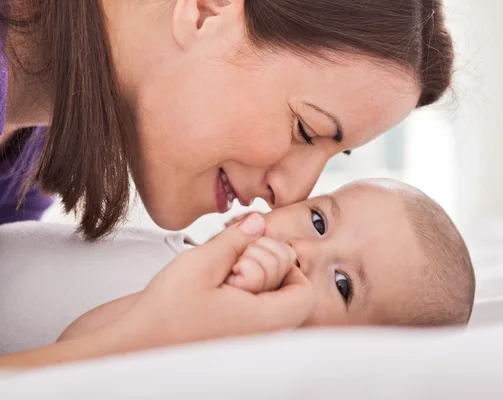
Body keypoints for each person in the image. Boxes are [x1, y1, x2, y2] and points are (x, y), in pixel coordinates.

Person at [0, 0, 455, 367]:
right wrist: (140, 339)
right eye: (305, 130)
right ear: (205, 11)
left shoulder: (26, 161)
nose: (293, 196)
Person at [0, 179, 475, 351]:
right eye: (317, 220)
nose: (304, 252)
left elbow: (76, 353)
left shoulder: (204, 334)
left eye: (344, 284)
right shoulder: (188, 253)